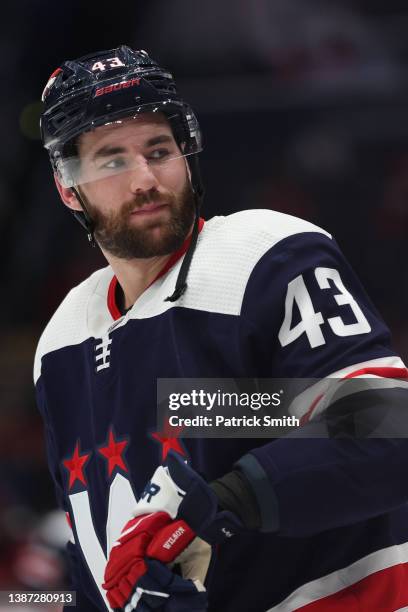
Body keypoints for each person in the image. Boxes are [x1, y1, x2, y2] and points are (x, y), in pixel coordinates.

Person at [35, 45, 408, 612]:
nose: (144, 179)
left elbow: (388, 424)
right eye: (112, 160)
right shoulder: (60, 342)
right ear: (68, 190)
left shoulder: (266, 252)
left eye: (159, 150)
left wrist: (226, 502)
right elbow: (101, 563)